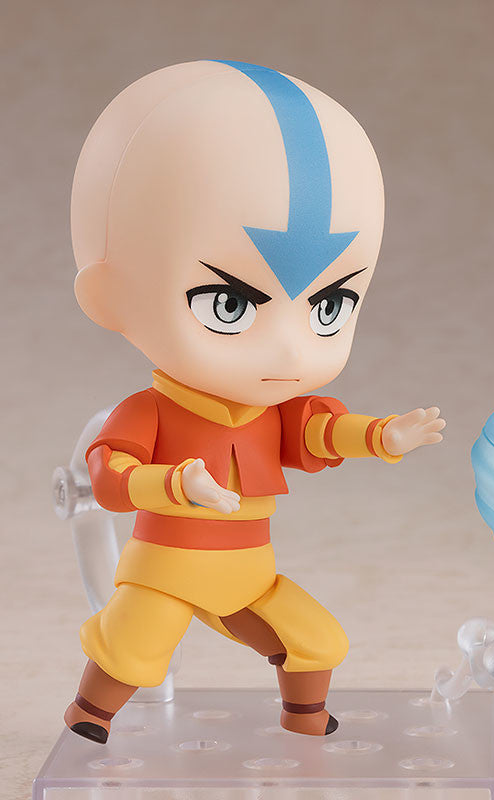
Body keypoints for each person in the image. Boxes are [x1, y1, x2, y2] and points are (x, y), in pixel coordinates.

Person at [64, 60, 445, 742]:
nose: (290, 353)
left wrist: (384, 436)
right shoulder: (151, 412)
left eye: (329, 306)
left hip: (249, 574)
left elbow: (319, 432)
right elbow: (110, 476)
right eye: (229, 304)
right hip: (164, 570)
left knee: (317, 637)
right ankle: (90, 716)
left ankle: (305, 719)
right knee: (134, 646)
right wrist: (175, 483)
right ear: (112, 293)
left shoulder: (272, 412)